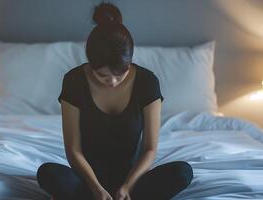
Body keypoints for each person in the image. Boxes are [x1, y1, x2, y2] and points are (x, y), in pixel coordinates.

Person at [36, 2, 193, 200]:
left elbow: (150, 148)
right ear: (91, 64)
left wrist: (127, 187)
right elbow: (73, 150)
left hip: (133, 181)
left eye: (121, 74)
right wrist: (97, 189)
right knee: (48, 173)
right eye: (103, 76)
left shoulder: (147, 82)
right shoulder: (74, 81)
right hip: (88, 180)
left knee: (182, 172)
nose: (112, 82)